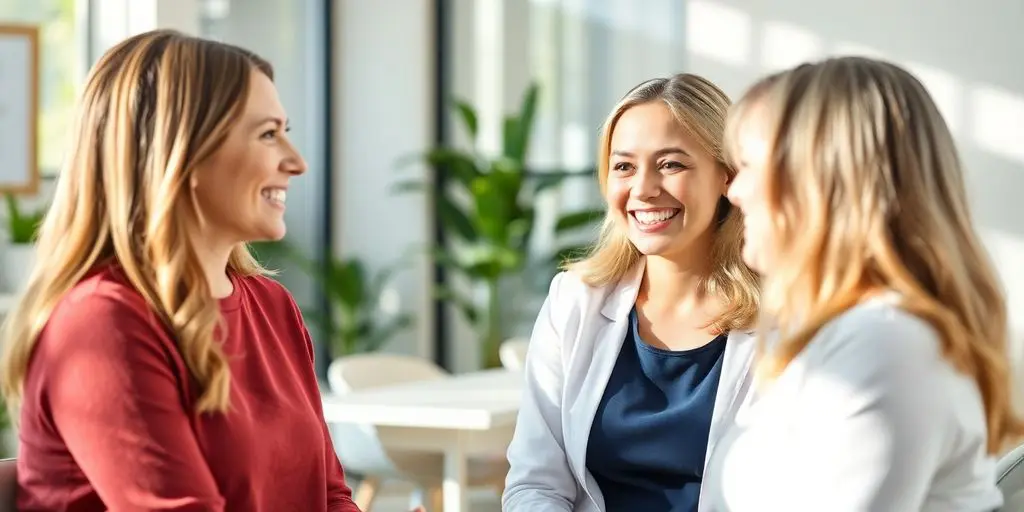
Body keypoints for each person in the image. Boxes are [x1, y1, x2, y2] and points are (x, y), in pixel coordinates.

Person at [0, 30, 361, 511]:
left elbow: (327, 495)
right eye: (268, 135)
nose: (296, 163)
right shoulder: (101, 323)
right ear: (182, 154)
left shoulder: (272, 307)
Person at [703, 56, 1024, 511]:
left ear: (819, 177)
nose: (733, 193)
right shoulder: (833, 336)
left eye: (749, 166)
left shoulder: (889, 344)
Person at [503, 73, 761, 512]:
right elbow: (535, 483)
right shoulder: (574, 302)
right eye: (624, 166)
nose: (642, 189)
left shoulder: (785, 316)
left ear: (727, 176)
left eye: (671, 164)